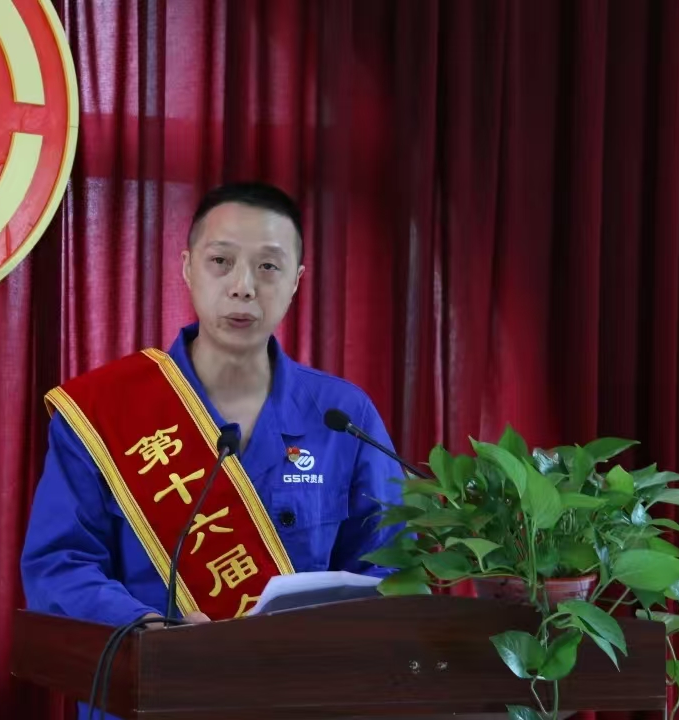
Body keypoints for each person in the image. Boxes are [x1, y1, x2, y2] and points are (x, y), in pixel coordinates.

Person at [20, 182, 406, 716]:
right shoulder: (104, 409)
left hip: (299, 701)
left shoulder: (343, 415)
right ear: (187, 267)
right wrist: (144, 628)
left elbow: (391, 565)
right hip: (150, 695)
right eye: (221, 261)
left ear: (297, 281)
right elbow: (59, 565)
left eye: (268, 267)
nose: (243, 287)